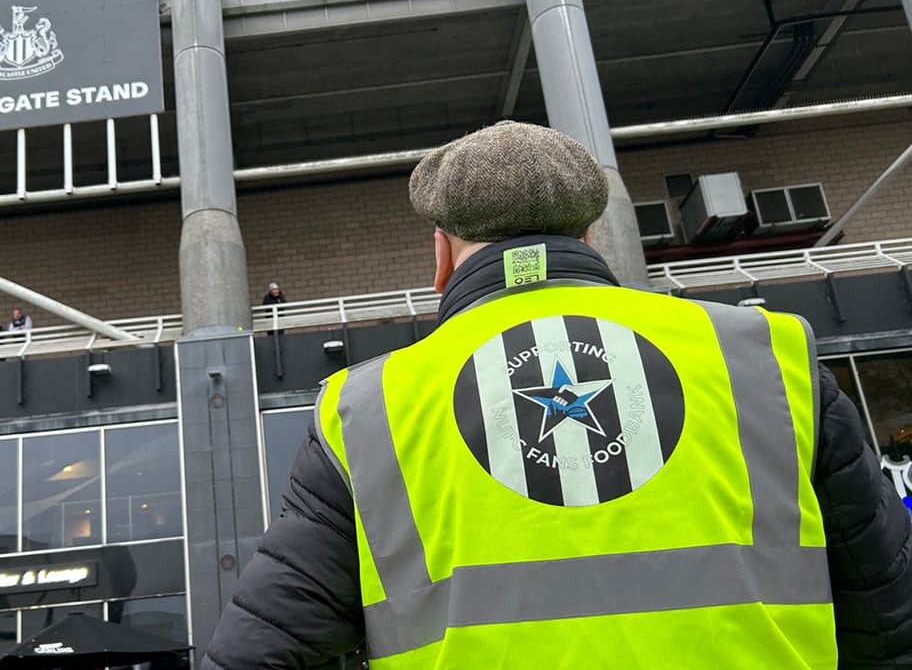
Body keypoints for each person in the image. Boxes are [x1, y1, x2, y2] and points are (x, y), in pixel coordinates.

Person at [202, 121, 912, 668]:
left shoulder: (369, 410)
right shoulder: (765, 358)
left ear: (441, 252)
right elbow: (888, 614)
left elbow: (258, 651)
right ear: (589, 234)